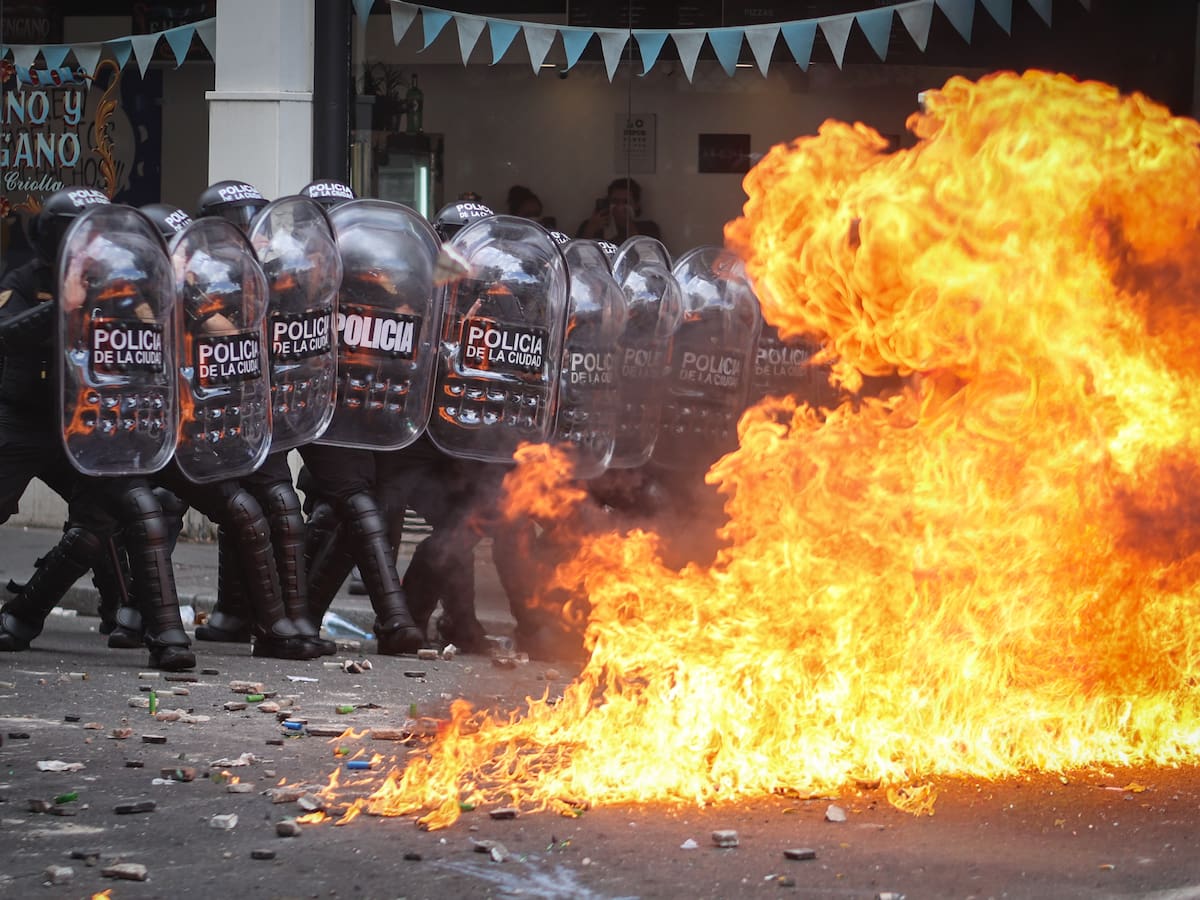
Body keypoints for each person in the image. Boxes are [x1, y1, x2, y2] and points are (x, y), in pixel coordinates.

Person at [0, 190, 195, 670]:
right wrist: (66, 309)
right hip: (25, 422)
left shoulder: (122, 282)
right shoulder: (29, 279)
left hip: (90, 423)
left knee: (129, 512)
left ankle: (162, 633)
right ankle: (24, 617)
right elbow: (7, 333)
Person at [576, 177, 661, 245]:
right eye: (615, 201)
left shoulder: (649, 228)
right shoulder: (591, 225)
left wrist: (629, 226)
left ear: (636, 205)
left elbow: (648, 257)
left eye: (626, 202)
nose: (620, 207)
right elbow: (577, 255)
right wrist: (590, 229)